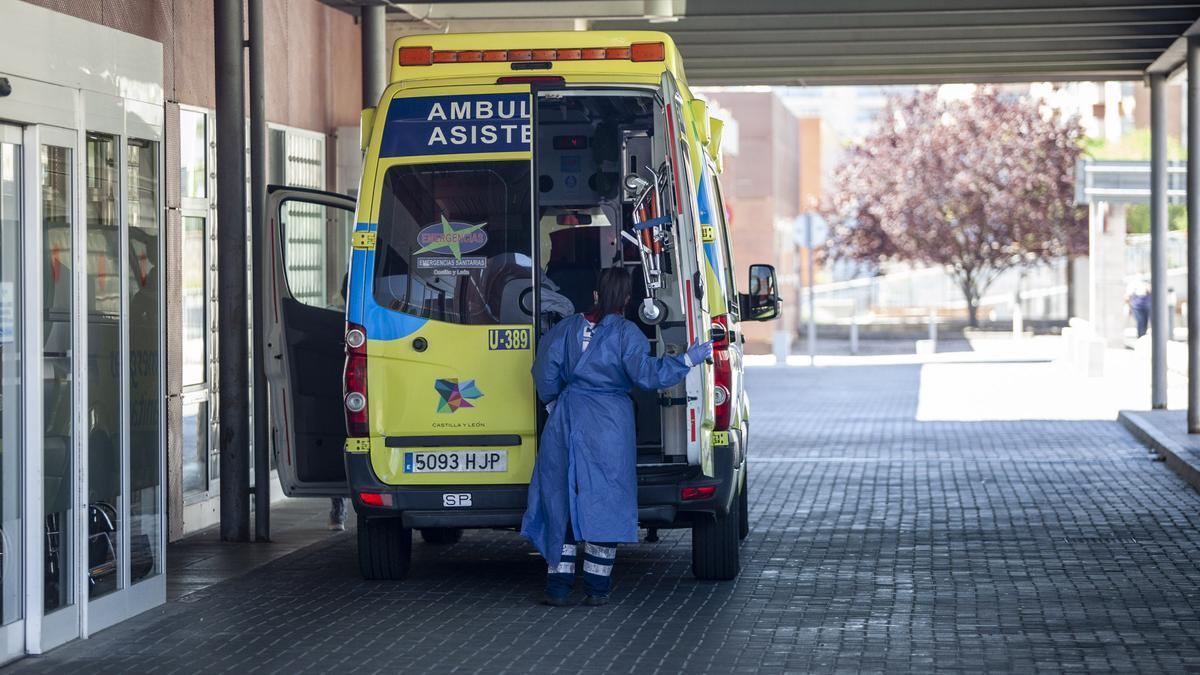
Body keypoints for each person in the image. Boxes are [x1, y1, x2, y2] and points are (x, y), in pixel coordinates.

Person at [521, 267, 711, 607]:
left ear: (596, 292)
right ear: (627, 298)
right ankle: (596, 588)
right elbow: (648, 376)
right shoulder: (628, 334)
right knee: (605, 500)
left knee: (560, 496)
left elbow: (543, 371)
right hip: (609, 424)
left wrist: (553, 403)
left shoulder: (565, 329)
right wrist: (688, 358)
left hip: (566, 419)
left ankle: (558, 588)